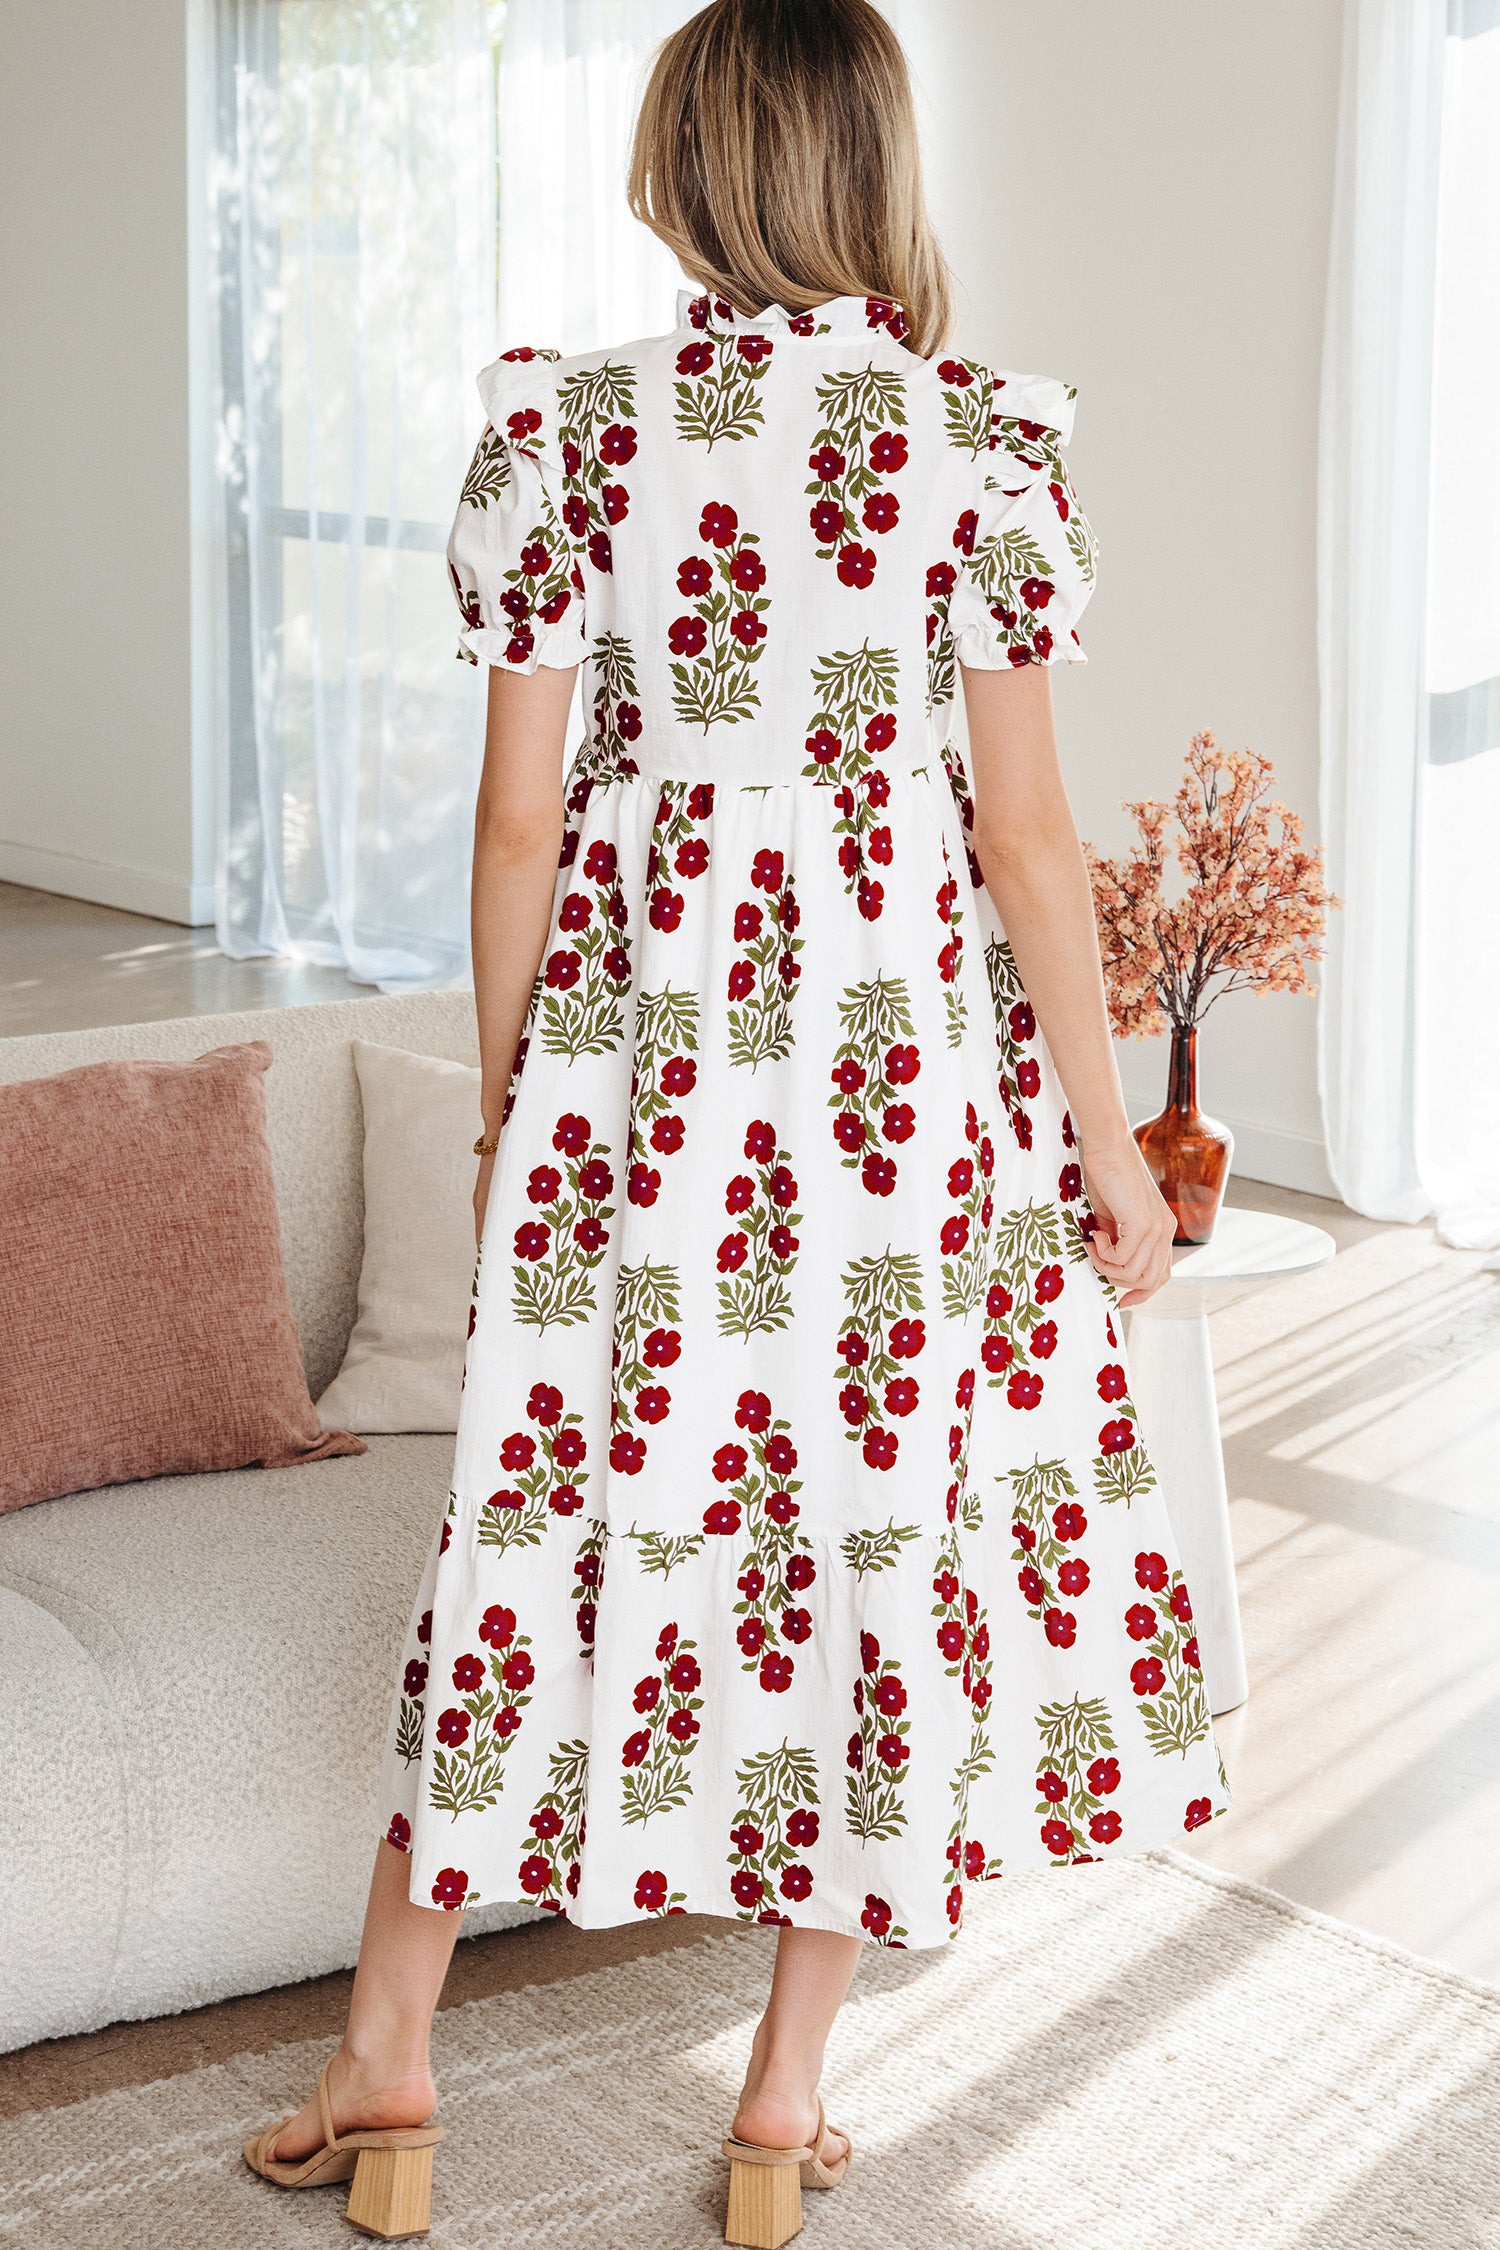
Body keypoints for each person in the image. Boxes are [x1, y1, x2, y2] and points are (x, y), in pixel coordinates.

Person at [243, 1, 1230, 2239]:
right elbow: (1032, 844)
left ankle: (391, 2056)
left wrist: (520, 1128)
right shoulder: (982, 437)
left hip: (641, 1071)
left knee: (548, 1516)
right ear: (878, 160)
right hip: (895, 1088)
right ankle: (781, 2104)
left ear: (684, 164)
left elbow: (512, 829)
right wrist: (1098, 1144)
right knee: (878, 1528)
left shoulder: (568, 433)